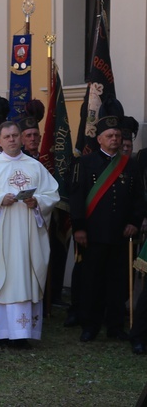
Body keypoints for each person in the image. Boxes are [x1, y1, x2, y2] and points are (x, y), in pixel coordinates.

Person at [0, 121, 59, 347]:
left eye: (15, 135)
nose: (11, 140)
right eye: (6, 136)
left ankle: (22, 332)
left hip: (28, 236)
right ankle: (0, 333)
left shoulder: (35, 166)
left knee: (25, 277)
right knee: (2, 277)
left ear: (21, 138)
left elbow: (52, 194)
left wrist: (37, 200)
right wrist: (0, 199)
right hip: (0, 236)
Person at [70, 113, 145, 343]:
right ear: (100, 139)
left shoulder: (129, 165)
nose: (115, 139)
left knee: (118, 282)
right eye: (110, 135)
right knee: (92, 281)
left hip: (121, 234)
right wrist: (79, 228)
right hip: (93, 234)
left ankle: (115, 326)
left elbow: (138, 199)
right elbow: (77, 197)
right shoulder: (85, 163)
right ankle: (89, 325)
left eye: (118, 135)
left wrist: (133, 221)